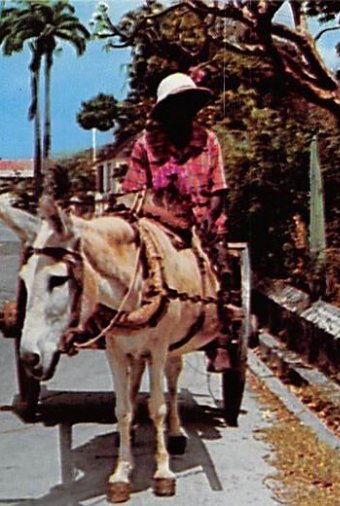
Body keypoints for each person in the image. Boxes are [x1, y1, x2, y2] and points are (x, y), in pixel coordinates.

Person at [121, 72, 234, 372]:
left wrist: (209, 217)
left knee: (223, 269)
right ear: (165, 111)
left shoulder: (209, 141)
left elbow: (219, 188)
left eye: (188, 106)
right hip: (159, 223)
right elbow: (134, 193)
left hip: (203, 223)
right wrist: (159, 217)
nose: (183, 113)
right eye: (176, 106)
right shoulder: (145, 145)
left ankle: (221, 339)